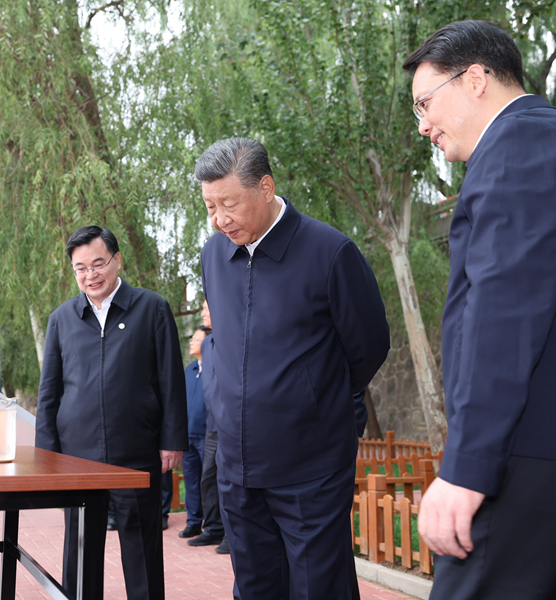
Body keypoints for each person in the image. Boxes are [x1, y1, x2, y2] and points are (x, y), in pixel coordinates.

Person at [403, 20, 556, 599]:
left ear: (475, 79)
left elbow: (504, 309)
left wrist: (467, 467)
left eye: (425, 103)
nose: (423, 124)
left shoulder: (516, 144)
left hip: (533, 458)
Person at [196, 137, 390, 599]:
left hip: (311, 466)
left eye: (229, 204)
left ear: (265, 188)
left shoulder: (329, 251)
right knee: (255, 587)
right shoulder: (213, 255)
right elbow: (224, 341)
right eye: (209, 207)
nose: (220, 219)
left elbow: (369, 347)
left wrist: (315, 401)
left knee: (319, 588)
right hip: (237, 466)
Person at [35, 225, 188, 600]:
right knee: (80, 551)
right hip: (77, 457)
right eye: (81, 268)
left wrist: (172, 440)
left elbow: (170, 379)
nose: (90, 275)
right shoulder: (62, 319)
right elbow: (49, 392)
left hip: (136, 452)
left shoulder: (151, 308)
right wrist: (47, 454)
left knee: (142, 550)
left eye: (98, 264)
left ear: (117, 260)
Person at [187, 301, 227, 551]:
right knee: (208, 479)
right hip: (212, 426)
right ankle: (213, 529)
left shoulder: (231, 337)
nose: (202, 313)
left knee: (230, 482)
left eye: (207, 307)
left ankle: (232, 535)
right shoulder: (209, 343)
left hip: (231, 423)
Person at [178, 325, 211, 540]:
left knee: (209, 482)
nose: (191, 343)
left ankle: (215, 525)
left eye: (196, 340)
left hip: (208, 435)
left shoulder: (215, 367)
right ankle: (193, 522)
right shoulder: (189, 369)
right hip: (188, 435)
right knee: (191, 481)